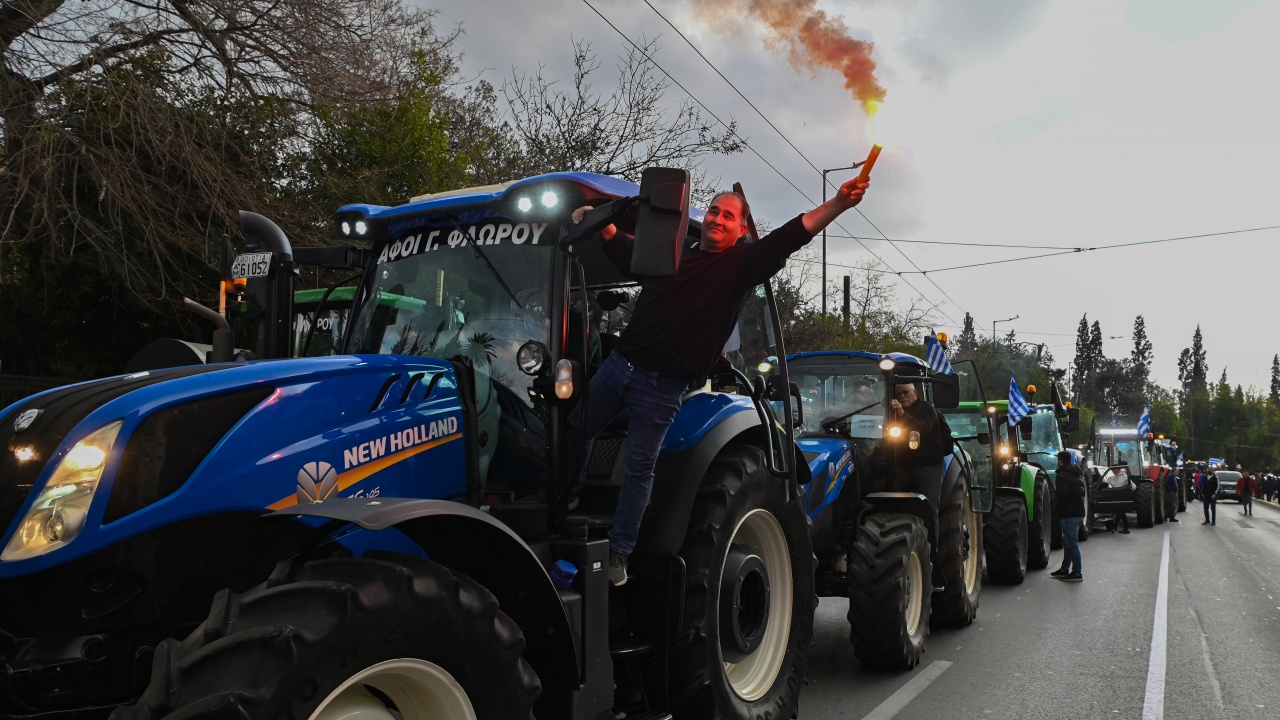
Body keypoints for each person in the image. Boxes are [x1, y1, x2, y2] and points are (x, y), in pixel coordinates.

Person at [569, 177, 870, 585]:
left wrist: (837, 203)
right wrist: (598, 220)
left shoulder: (739, 267)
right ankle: (568, 499)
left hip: (662, 388)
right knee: (571, 429)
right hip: (619, 367)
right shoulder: (668, 256)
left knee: (641, 468)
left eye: (729, 215)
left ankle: (620, 552)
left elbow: (790, 236)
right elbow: (625, 249)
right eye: (714, 211)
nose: (717, 219)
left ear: (741, 230)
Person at [888, 382, 948, 516]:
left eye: (906, 392)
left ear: (915, 392)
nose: (902, 396)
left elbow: (922, 428)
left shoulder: (926, 409)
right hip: (903, 465)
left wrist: (902, 414)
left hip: (927, 465)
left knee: (929, 507)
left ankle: (931, 536)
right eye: (899, 394)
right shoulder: (892, 412)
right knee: (887, 495)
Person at [1051, 451, 1087, 582]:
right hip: (1078, 514)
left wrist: (1057, 509)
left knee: (1072, 545)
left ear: (1060, 461)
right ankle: (1064, 569)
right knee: (1068, 544)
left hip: (1068, 514)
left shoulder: (1062, 475)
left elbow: (1061, 495)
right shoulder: (1077, 475)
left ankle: (1077, 573)